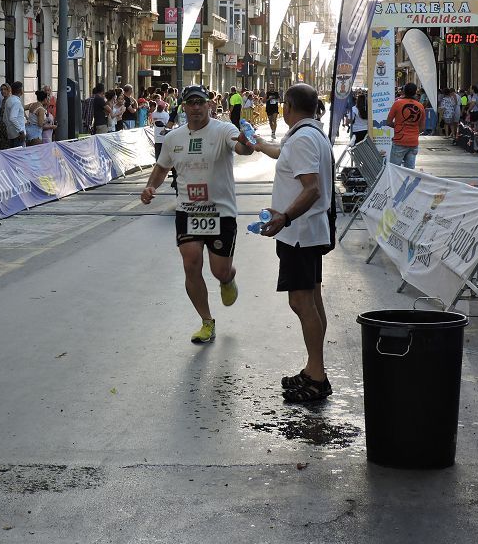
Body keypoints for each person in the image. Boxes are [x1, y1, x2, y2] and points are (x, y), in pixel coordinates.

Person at [140, 85, 254, 345]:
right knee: (191, 264)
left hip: (220, 212)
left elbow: (242, 149)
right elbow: (161, 168)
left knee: (219, 271)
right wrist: (150, 187)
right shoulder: (173, 138)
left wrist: (247, 142)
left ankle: (228, 278)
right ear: (183, 107)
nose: (196, 107)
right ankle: (206, 322)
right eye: (191, 103)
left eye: (201, 102)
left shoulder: (224, 129)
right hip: (188, 210)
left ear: (209, 105)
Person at [249, 84, 335, 403]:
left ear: (287, 106)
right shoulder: (309, 134)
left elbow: (311, 189)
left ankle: (317, 376)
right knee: (311, 298)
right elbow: (284, 156)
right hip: (307, 232)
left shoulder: (302, 139)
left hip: (299, 234)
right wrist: (259, 145)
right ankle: (315, 368)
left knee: (301, 302)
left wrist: (284, 216)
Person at [386, 82, 426, 168]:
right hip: (413, 142)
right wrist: (413, 131)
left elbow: (388, 122)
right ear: (415, 92)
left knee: (394, 170)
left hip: (399, 140)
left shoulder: (397, 103)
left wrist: (398, 126)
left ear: (403, 91)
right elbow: (422, 128)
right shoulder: (420, 106)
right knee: (409, 172)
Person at [1, 81, 27, 147]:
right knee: (20, 156)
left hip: (11, 135)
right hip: (18, 135)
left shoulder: (9, 100)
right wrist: (20, 131)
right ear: (20, 90)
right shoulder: (16, 102)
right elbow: (12, 118)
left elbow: (4, 118)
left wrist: (10, 128)